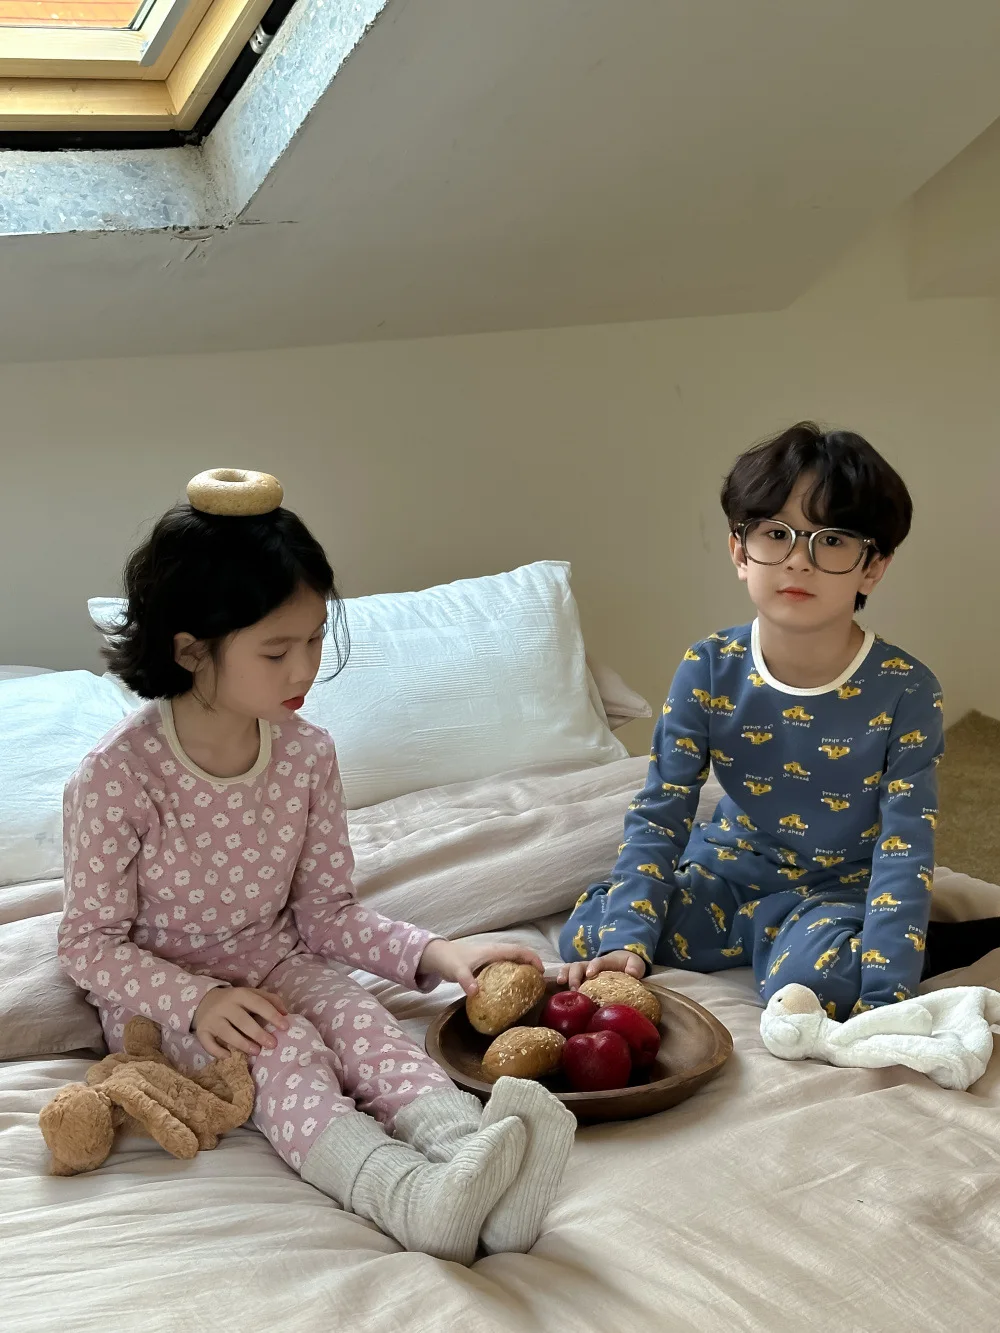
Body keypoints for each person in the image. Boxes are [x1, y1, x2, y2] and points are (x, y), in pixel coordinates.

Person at [59, 469, 574, 1265]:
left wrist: (439, 955)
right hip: (170, 999)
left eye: (314, 639)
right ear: (190, 648)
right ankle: (407, 1198)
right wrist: (197, 1001)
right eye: (277, 650)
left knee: (365, 1024)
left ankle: (481, 1174)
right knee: (287, 1050)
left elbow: (326, 913)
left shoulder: (306, 754)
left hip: (278, 958)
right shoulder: (117, 775)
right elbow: (87, 944)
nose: (304, 669)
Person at [559, 422, 963, 1019]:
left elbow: (905, 845)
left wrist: (886, 999)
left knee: (816, 986)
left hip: (836, 886)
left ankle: (834, 946)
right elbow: (662, 808)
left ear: (872, 568)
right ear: (739, 551)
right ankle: (767, 938)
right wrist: (626, 940)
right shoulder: (708, 666)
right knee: (591, 934)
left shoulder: (906, 689)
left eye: (831, 540)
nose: (798, 560)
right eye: (776, 534)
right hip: (728, 869)